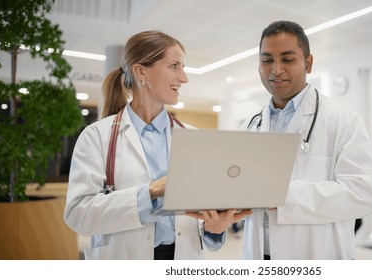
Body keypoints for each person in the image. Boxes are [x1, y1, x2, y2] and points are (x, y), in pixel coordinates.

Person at [64, 30, 251, 260]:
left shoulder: (193, 138)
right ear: (141, 71)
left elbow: (199, 223)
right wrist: (152, 190)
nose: (184, 78)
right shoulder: (97, 136)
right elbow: (78, 215)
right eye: (174, 66)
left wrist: (215, 228)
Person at [241, 21, 372, 260]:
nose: (276, 69)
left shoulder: (342, 119)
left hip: (317, 255)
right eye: (267, 60)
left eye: (287, 59)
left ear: (308, 63)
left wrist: (281, 197)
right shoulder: (250, 125)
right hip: (259, 255)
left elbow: (364, 193)